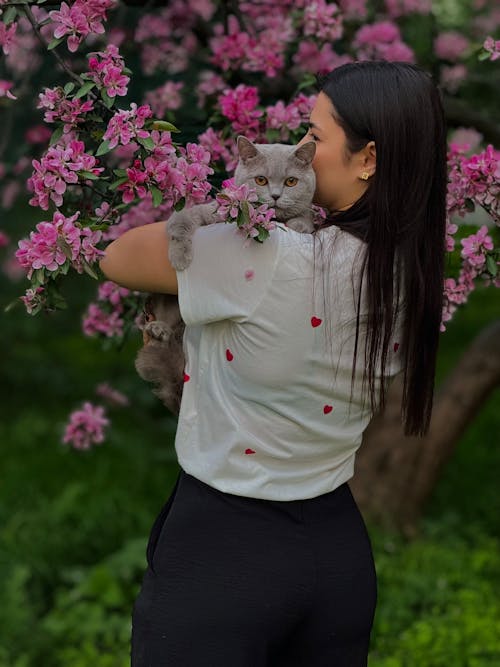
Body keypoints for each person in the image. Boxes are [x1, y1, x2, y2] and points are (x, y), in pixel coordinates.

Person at [99, 60, 447, 666]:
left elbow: (119, 257)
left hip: (223, 555)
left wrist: (222, 212)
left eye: (316, 134)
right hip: (337, 557)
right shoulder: (408, 271)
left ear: (367, 159)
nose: (302, 145)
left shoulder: (262, 254)